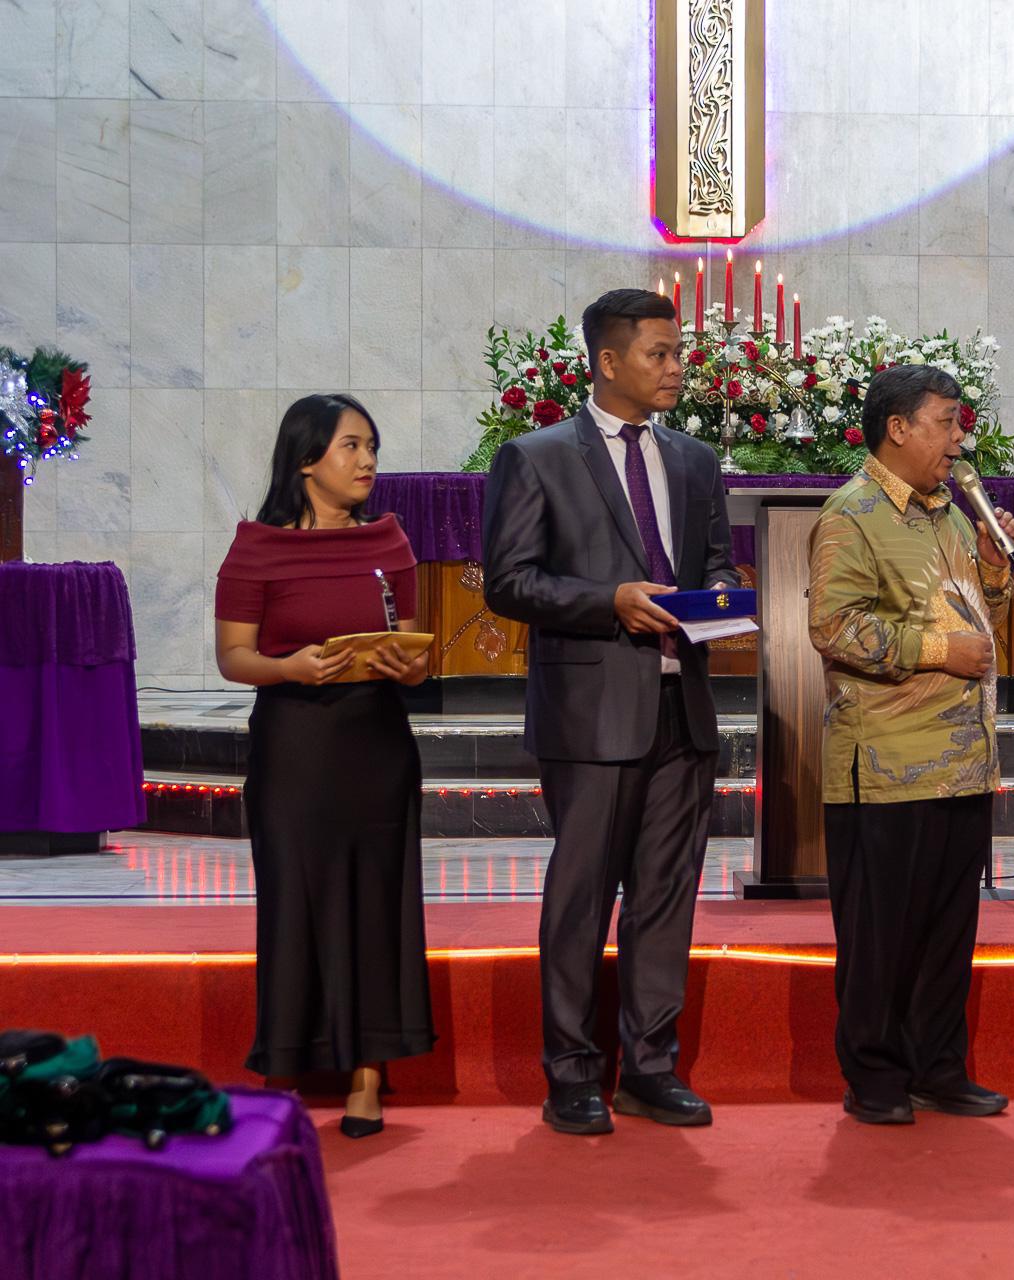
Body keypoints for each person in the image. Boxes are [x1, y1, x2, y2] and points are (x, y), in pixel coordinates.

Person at [481, 288, 739, 1136]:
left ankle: (651, 1069)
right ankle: (572, 1073)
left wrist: (721, 597)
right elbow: (509, 582)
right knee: (582, 897)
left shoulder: (695, 460)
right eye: (661, 353)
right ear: (608, 360)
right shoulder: (537, 457)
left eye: (679, 352)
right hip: (590, 711)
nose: (677, 367)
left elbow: (716, 562)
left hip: (682, 707)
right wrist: (610, 601)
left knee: (665, 896)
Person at [213, 393, 434, 1139]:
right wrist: (290, 667)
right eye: (351, 446)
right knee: (293, 901)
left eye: (372, 447)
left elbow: (413, 650)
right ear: (307, 459)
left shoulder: (390, 543)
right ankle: (285, 1063)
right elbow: (233, 657)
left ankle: (368, 1077)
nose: (368, 461)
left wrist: (409, 666)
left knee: (378, 905)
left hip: (377, 745)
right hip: (294, 749)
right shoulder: (257, 548)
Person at [807, 364, 1014, 1125]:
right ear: (897, 428)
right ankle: (874, 1075)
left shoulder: (954, 514)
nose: (959, 440)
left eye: (959, 424)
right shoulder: (852, 514)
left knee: (945, 933)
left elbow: (981, 621)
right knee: (881, 935)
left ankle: (938, 1067)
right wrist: (938, 651)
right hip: (887, 764)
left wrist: (993, 567)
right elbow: (833, 627)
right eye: (946, 423)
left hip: (963, 760)